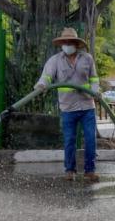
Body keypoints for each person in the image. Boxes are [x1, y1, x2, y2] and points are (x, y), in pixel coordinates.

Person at [35, 28, 101, 183]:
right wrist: (41, 85)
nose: (67, 44)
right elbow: (46, 76)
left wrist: (95, 91)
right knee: (69, 140)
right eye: (65, 42)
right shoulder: (55, 60)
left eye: (70, 42)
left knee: (91, 139)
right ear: (61, 44)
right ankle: (69, 171)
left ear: (77, 44)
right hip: (67, 107)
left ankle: (89, 171)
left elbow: (94, 79)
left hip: (87, 106)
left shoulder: (87, 59)